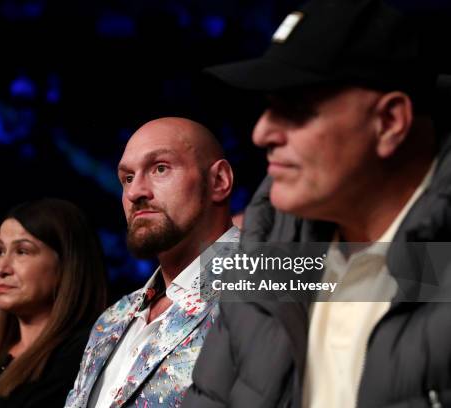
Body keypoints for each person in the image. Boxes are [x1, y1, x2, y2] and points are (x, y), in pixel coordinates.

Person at [185, 0, 451, 407]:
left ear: (390, 121)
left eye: (295, 109)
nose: (261, 132)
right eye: (267, 108)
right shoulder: (264, 257)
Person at [65, 117, 238, 408]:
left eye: (160, 168)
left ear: (218, 181)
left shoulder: (278, 279)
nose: (135, 192)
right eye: (127, 178)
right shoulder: (112, 319)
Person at [0, 199, 107, 408]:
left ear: (67, 265)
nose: (1, 268)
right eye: (0, 251)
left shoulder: (83, 359)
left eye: (22, 251)